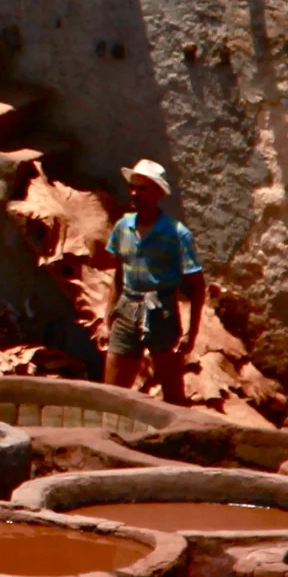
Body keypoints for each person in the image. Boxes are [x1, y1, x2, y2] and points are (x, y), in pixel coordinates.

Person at [104, 158, 205, 404]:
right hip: (127, 309)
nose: (134, 193)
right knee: (111, 393)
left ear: (158, 193)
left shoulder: (176, 234)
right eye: (133, 187)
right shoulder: (122, 227)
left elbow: (197, 286)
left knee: (172, 394)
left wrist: (191, 332)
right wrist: (108, 315)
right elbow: (118, 273)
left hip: (162, 313)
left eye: (142, 188)